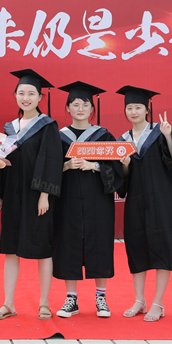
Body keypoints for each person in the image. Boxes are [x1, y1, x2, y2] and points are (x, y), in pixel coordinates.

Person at [0, 69, 62, 321]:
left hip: (37, 196)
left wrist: (45, 195)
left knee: (43, 249)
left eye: (31, 93)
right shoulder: (10, 128)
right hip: (12, 195)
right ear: (15, 96)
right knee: (11, 250)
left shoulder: (48, 126)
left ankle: (44, 303)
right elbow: (2, 163)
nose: (26, 98)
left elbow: (51, 160)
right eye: (21, 93)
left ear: (40, 97)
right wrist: (1, 198)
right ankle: (8, 303)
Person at [52, 81, 123, 319]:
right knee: (68, 243)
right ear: (68, 108)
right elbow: (47, 168)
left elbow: (117, 171)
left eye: (85, 104)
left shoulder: (104, 136)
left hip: (98, 201)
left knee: (100, 242)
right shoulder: (58, 137)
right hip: (68, 200)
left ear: (92, 108)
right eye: (75, 104)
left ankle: (101, 298)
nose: (80, 109)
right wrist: (66, 165)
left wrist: (95, 166)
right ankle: (71, 299)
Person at [116, 85, 172, 322]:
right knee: (136, 247)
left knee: (163, 248)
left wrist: (168, 136)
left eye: (138, 107)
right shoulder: (122, 141)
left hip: (162, 202)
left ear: (147, 110)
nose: (133, 112)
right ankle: (139, 300)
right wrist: (125, 165)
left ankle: (158, 302)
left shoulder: (161, 132)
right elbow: (122, 182)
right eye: (129, 107)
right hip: (135, 202)